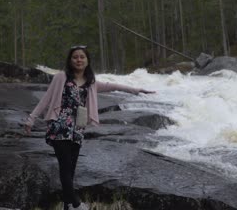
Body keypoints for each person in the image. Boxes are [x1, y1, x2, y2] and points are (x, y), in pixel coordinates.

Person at [24, 46, 154, 210]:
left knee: (71, 169)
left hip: (78, 128)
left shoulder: (91, 82)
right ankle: (77, 205)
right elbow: (46, 99)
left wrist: (137, 90)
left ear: (87, 61)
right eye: (75, 57)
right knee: (65, 166)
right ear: (70, 61)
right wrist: (31, 119)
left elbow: (114, 86)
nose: (79, 60)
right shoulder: (61, 77)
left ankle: (67, 207)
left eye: (82, 57)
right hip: (59, 126)